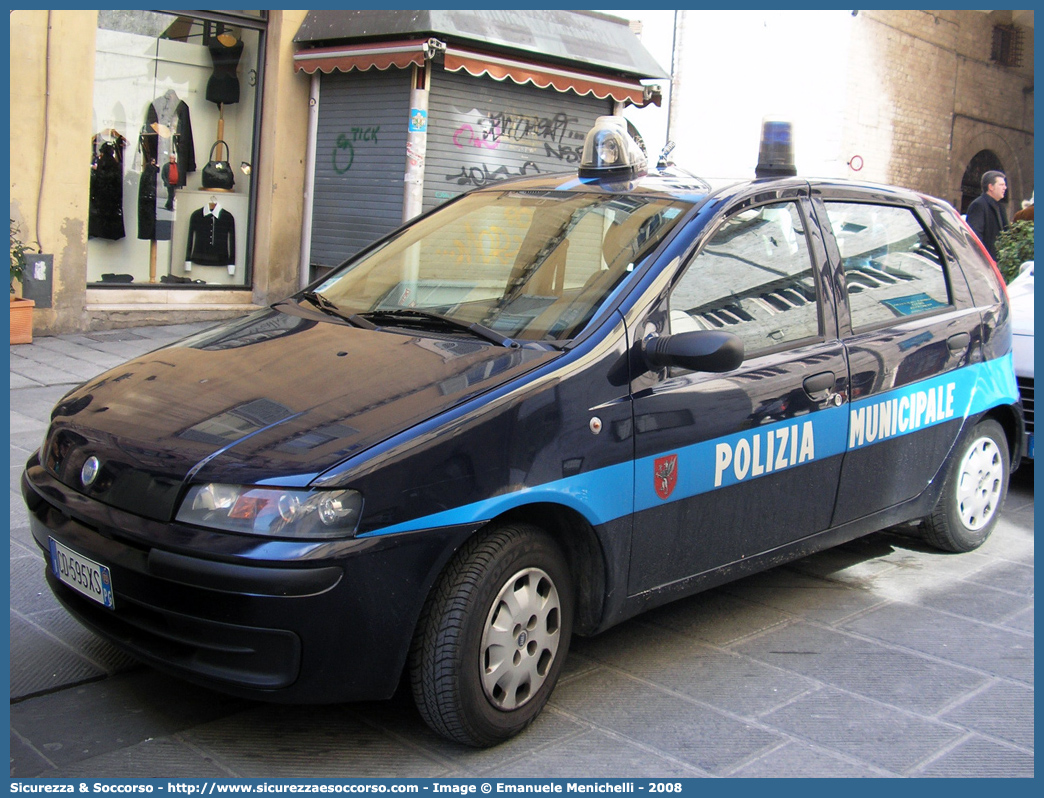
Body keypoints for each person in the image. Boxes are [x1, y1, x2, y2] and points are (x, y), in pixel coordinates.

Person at [966, 170, 1008, 259]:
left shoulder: (1001, 207)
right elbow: (975, 237)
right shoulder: (978, 205)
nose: (1005, 188)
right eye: (1001, 185)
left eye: (1004, 185)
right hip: (985, 262)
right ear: (990, 187)